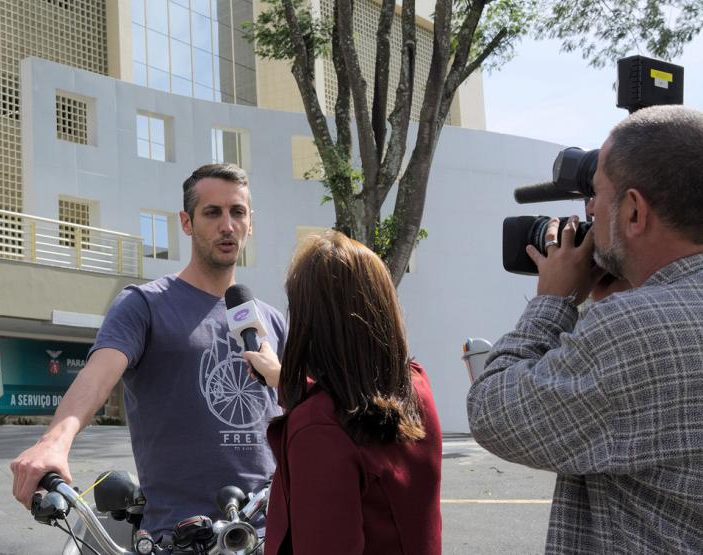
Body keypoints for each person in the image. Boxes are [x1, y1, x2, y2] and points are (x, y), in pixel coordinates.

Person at [467, 105, 703, 553]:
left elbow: (493, 413)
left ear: (634, 211)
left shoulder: (633, 329)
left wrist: (553, 302)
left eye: (595, 195)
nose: (588, 212)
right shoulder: (641, 317)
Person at [11, 163, 287, 540]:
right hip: (179, 539)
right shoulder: (144, 304)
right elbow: (97, 378)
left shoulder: (271, 320)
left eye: (237, 212)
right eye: (212, 212)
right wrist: (53, 443)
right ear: (186, 223)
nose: (227, 225)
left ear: (250, 222)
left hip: (273, 533)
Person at [244, 230, 442, 555]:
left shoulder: (317, 428)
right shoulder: (415, 385)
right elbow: (357, 406)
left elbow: (332, 423)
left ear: (312, 321)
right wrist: (282, 377)